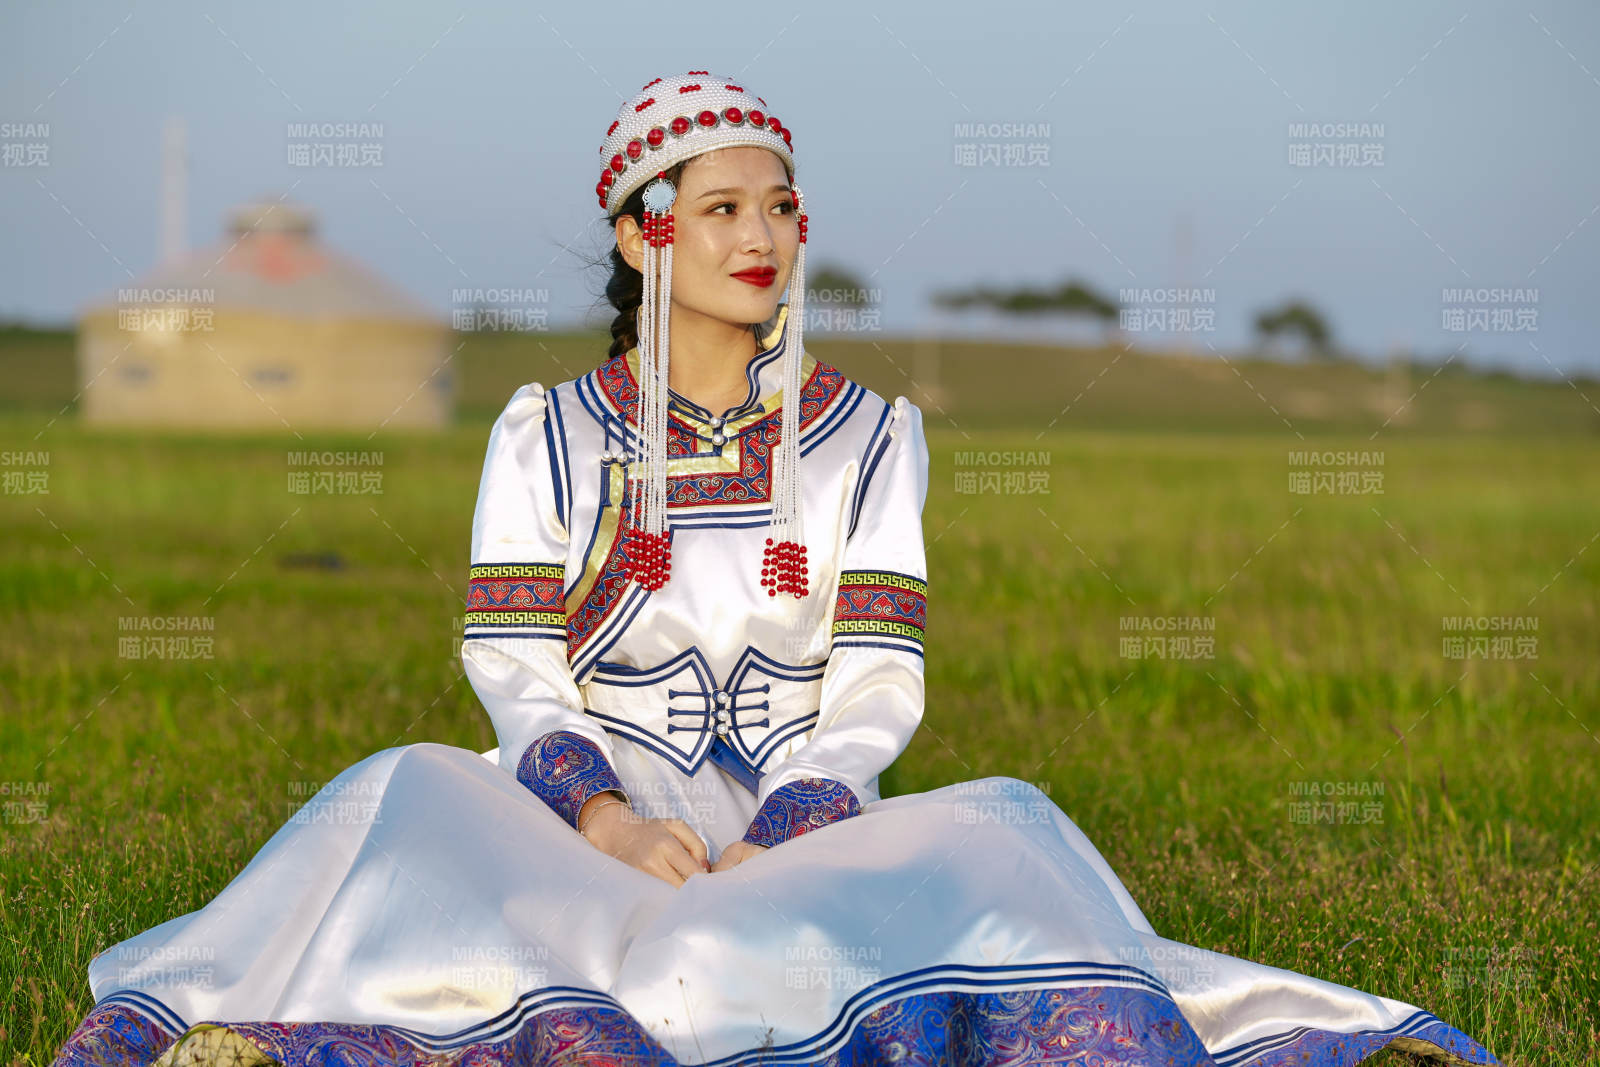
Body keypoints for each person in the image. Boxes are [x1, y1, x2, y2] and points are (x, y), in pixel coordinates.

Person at [52, 73, 1496, 1067]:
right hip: (577, 823)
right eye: (721, 205)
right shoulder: (545, 431)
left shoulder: (871, 437)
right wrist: (605, 821)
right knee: (405, 796)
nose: (760, 235)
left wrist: (792, 822)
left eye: (781, 206)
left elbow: (874, 678)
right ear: (641, 230)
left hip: (800, 830)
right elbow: (513, 662)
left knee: (998, 834)